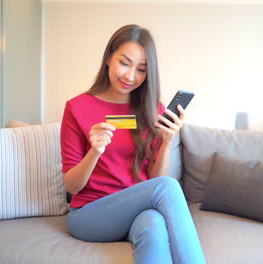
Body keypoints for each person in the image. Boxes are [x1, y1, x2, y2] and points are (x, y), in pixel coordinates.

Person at [60, 24, 206, 264]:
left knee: (154, 224)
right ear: (109, 58)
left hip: (136, 211)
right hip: (90, 214)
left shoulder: (152, 110)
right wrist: (94, 152)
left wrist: (167, 141)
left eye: (141, 69)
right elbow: (72, 186)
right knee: (167, 187)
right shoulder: (77, 108)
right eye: (125, 63)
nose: (130, 76)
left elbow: (153, 177)